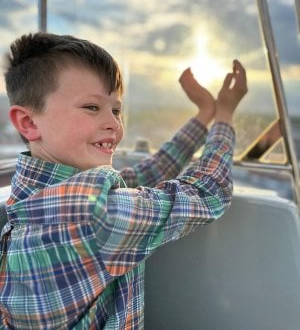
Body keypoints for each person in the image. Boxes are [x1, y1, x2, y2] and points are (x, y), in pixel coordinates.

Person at [0, 32, 247, 329]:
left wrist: (203, 116)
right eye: (92, 107)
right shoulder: (96, 215)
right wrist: (225, 117)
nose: (114, 124)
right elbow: (209, 191)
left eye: (116, 110)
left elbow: (143, 176)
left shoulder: (32, 194)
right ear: (28, 122)